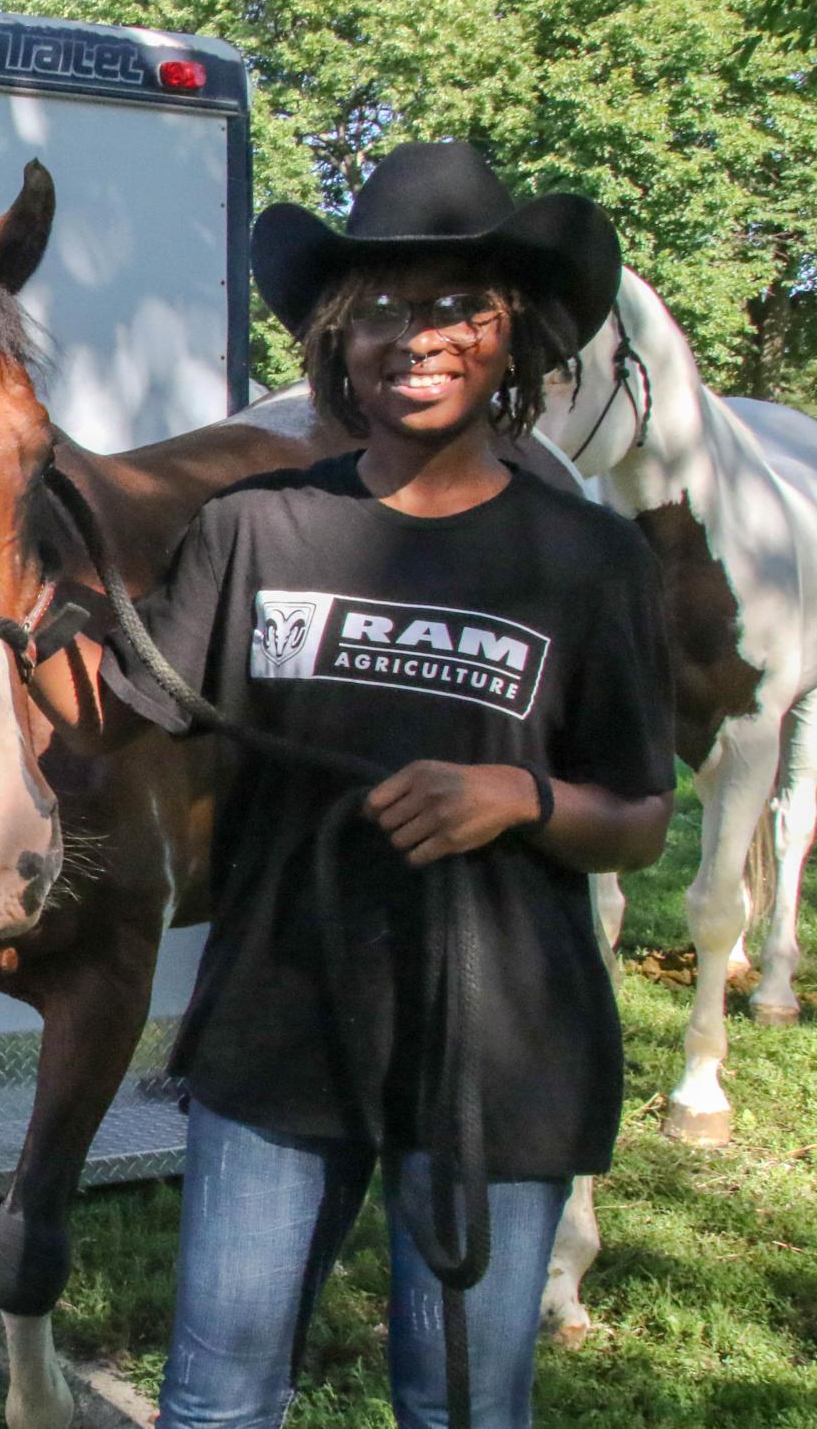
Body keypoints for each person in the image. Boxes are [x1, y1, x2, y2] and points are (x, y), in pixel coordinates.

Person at [100, 141, 675, 1428]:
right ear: (335, 341)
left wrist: (518, 802)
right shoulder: (257, 530)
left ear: (510, 333)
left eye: (456, 305)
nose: (416, 336)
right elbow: (125, 705)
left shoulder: (587, 562)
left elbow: (639, 817)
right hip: (277, 1021)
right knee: (214, 1401)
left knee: (458, 1406)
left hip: (497, 1045)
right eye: (379, 307)